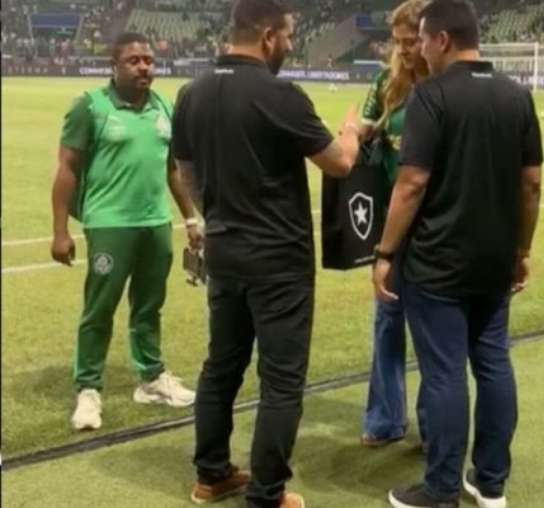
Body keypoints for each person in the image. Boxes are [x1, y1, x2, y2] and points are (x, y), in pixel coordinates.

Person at [171, 1, 359, 506]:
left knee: (221, 366)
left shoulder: (192, 93)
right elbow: (339, 164)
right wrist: (352, 132)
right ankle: (267, 494)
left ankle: (211, 476)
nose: (292, 44)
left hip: (225, 251)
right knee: (281, 380)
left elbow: (186, 172)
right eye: (290, 36)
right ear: (269, 35)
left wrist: (213, 214)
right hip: (279, 260)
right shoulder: (280, 95)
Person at [371, 1, 544, 507]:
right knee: (493, 364)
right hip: (495, 260)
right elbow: (530, 183)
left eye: (423, 40)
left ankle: (442, 488)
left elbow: (411, 183)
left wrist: (384, 253)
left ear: (443, 39)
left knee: (444, 373)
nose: (419, 49)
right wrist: (522, 249)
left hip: (436, 262)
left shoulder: (431, 96)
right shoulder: (518, 96)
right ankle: (490, 484)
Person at [50, 32, 200, 432]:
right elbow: (67, 168)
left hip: (155, 224)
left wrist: (190, 218)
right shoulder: (90, 106)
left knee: (149, 305)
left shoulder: (164, 106)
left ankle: (151, 379)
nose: (144, 67)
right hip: (109, 224)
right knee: (99, 308)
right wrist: (59, 230)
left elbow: (173, 170)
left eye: (148, 60)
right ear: (114, 66)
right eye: (134, 60)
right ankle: (88, 389)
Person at [358, 0, 430, 450]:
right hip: (392, 224)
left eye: (411, 42)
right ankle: (385, 419)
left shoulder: (445, 84)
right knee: (388, 320)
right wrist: (356, 134)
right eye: (398, 42)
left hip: (435, 225)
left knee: (432, 329)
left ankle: (434, 422)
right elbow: (364, 131)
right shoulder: (386, 83)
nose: (403, 50)